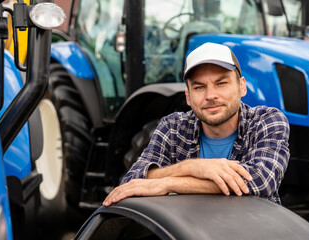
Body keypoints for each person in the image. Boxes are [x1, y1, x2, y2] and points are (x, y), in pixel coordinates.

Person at [103, 42, 290, 207]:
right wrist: (191, 168)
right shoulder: (172, 128)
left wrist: (170, 183)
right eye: (199, 87)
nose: (210, 95)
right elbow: (132, 180)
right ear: (188, 97)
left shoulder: (267, 121)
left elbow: (260, 181)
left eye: (221, 83)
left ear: (241, 86)